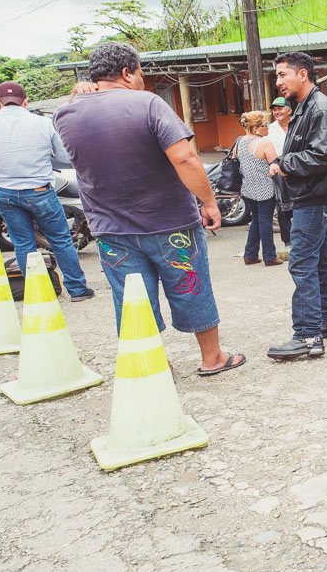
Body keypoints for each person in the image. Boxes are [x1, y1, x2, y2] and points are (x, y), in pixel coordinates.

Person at [52, 42, 243, 376]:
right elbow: (184, 157)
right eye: (140, 73)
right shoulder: (148, 104)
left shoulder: (66, 113)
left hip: (111, 229)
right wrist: (209, 202)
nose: (142, 80)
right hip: (170, 222)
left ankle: (154, 363)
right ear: (127, 72)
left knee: (131, 297)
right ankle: (212, 357)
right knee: (190, 285)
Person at [0, 80, 94, 301]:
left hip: (6, 194)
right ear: (25, 101)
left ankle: (36, 292)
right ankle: (78, 290)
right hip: (40, 191)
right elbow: (63, 156)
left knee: (23, 244)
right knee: (60, 241)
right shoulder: (44, 123)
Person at [267, 51, 327, 360]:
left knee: (301, 262)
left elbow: (323, 154)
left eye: (282, 75)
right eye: (277, 76)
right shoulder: (305, 106)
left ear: (303, 75)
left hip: (314, 196)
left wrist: (284, 164)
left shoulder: (319, 107)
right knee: (322, 259)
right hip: (311, 194)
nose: (278, 82)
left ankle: (308, 336)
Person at [235, 110, 283, 265]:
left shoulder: (240, 142)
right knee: (265, 221)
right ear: (255, 128)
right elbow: (275, 164)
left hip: (248, 188)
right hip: (265, 188)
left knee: (256, 220)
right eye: (264, 125)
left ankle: (250, 254)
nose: (267, 127)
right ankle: (270, 256)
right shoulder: (264, 143)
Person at [267, 96, 293, 247]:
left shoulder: (298, 125)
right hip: (279, 167)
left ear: (289, 110)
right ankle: (288, 241)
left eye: (280, 108)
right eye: (275, 110)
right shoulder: (270, 129)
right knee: (282, 205)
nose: (277, 112)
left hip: (298, 166)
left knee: (301, 203)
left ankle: (303, 238)